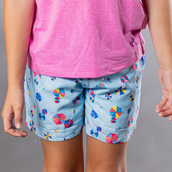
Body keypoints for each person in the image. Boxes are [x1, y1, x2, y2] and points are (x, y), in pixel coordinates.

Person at [1, 0, 172, 172]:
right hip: (51, 69)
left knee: (108, 168)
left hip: (117, 63)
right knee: (60, 167)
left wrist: (168, 66)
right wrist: (15, 84)